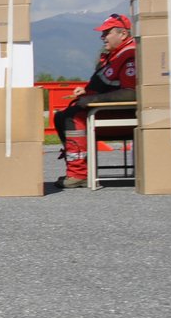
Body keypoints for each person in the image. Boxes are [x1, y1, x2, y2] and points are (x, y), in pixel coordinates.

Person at [54, 12, 136, 188]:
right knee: (61, 116)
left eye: (107, 33)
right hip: (102, 110)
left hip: (120, 115)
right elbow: (110, 83)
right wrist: (85, 91)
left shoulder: (130, 55)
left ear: (123, 34)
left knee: (73, 117)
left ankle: (79, 174)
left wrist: (93, 99)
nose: (102, 37)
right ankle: (78, 169)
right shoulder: (113, 55)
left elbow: (131, 93)